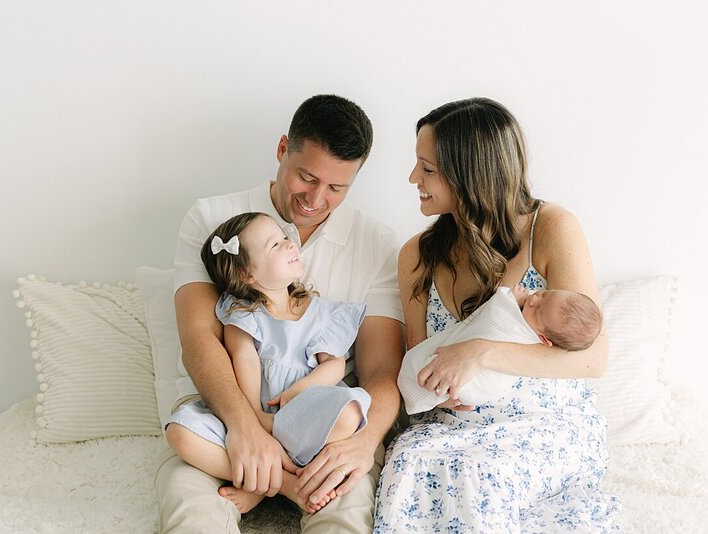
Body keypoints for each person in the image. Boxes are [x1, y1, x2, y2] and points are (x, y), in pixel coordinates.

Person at [155, 94, 405, 534]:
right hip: (222, 409)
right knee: (191, 509)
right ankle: (276, 483)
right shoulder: (214, 221)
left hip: (321, 426)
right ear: (282, 149)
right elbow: (200, 338)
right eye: (306, 177)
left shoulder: (378, 245)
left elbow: (382, 372)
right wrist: (245, 427)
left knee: (347, 514)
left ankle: (289, 480)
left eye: (336, 188)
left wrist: (365, 444)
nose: (315, 198)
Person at [374, 98, 619, 532]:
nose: (414, 178)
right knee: (410, 464)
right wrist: (438, 391)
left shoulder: (551, 227)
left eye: (427, 169)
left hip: (543, 430)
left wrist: (479, 352)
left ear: (471, 175)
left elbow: (592, 359)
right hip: (450, 431)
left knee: (476, 478)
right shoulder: (418, 254)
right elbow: (419, 361)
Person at [165, 212, 372, 514]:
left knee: (350, 412)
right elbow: (244, 362)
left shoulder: (321, 312)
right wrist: (255, 420)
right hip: (252, 418)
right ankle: (285, 484)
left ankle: (261, 481)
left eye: (285, 238)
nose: (290, 245)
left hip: (300, 416)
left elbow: (334, 365)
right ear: (248, 274)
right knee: (179, 433)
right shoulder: (242, 315)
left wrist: (299, 390)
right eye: (275, 245)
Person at [397, 283, 603, 414]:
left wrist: (509, 300)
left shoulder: (523, 333)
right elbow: (486, 322)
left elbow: (498, 319)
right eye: (544, 294)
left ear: (544, 340)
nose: (532, 301)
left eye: (538, 313)